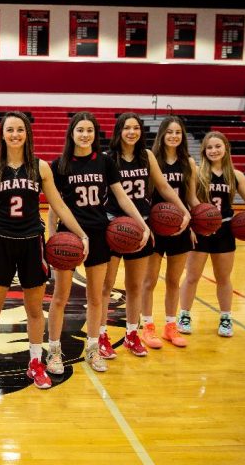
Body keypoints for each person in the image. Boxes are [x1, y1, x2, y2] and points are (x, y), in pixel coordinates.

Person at [0, 111, 89, 390]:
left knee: (34, 309)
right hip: (1, 240)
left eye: (20, 130)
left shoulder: (40, 167)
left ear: (27, 134)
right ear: (2, 134)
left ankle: (36, 361)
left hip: (32, 242)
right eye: (10, 130)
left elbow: (59, 206)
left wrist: (80, 233)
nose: (15, 134)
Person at [46, 111, 149, 374]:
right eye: (80, 130)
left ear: (95, 134)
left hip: (100, 233)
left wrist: (142, 223)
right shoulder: (59, 165)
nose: (84, 135)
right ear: (71, 134)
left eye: (89, 130)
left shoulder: (104, 162)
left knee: (96, 297)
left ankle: (93, 348)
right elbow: (53, 207)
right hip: (68, 237)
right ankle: (54, 351)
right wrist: (50, 237)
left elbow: (123, 198)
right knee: (60, 298)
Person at [100, 112, 190, 360]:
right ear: (118, 132)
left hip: (142, 227)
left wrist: (184, 212)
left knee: (135, 286)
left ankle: (131, 334)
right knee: (106, 286)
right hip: (115, 227)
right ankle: (101, 336)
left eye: (136, 128)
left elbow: (162, 187)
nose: (131, 132)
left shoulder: (147, 156)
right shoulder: (108, 159)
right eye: (127, 128)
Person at [178, 131, 245, 337]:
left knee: (224, 278)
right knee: (192, 276)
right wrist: (192, 226)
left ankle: (226, 317)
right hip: (200, 230)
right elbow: (188, 199)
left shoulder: (235, 175)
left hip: (225, 229)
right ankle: (184, 315)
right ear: (204, 151)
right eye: (209, 147)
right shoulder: (197, 172)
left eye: (217, 146)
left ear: (226, 149)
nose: (214, 150)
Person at [140, 116, 199, 349]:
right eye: (169, 132)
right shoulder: (152, 160)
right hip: (156, 226)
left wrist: (195, 224)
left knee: (174, 281)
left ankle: (171, 326)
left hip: (181, 227)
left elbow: (192, 198)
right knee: (149, 281)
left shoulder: (189, 163)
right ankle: (148, 327)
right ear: (162, 135)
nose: (174, 136)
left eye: (178, 132)